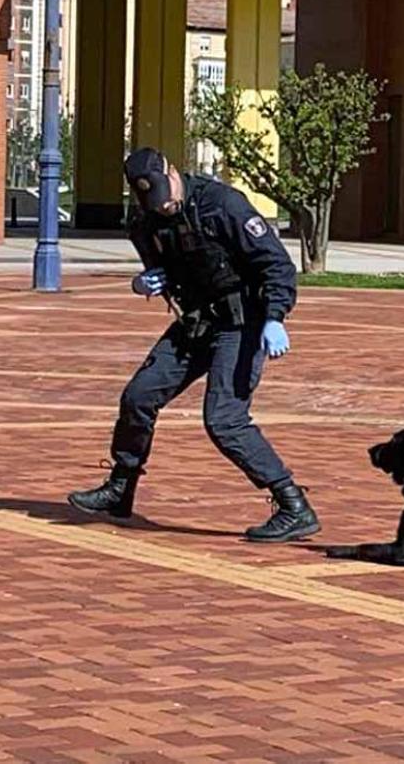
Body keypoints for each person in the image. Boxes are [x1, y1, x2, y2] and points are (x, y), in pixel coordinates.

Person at [68, 147, 320, 543]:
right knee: (138, 396)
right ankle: (121, 488)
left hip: (243, 322)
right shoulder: (145, 220)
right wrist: (148, 281)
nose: (164, 208)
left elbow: (277, 265)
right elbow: (160, 266)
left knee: (224, 418)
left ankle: (292, 505)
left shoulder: (223, 205)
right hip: (197, 322)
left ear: (172, 172)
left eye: (166, 198)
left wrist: (275, 318)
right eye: (154, 203)